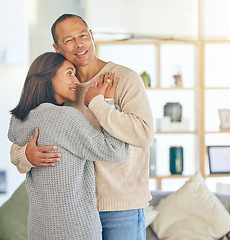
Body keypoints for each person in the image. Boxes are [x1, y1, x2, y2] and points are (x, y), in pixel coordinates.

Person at [10, 14, 154, 240]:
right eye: (68, 40)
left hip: (121, 207)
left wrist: (98, 104)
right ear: (57, 48)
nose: (79, 44)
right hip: (76, 212)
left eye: (83, 35)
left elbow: (144, 134)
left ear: (92, 36)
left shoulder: (124, 79)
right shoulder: (61, 88)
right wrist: (25, 155)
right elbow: (24, 134)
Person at [8, 52, 129, 240]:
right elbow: (115, 151)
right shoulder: (63, 118)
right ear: (48, 76)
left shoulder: (18, 120)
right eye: (69, 73)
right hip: (75, 229)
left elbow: (14, 147)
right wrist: (106, 103)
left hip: (39, 229)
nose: (77, 82)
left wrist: (22, 155)